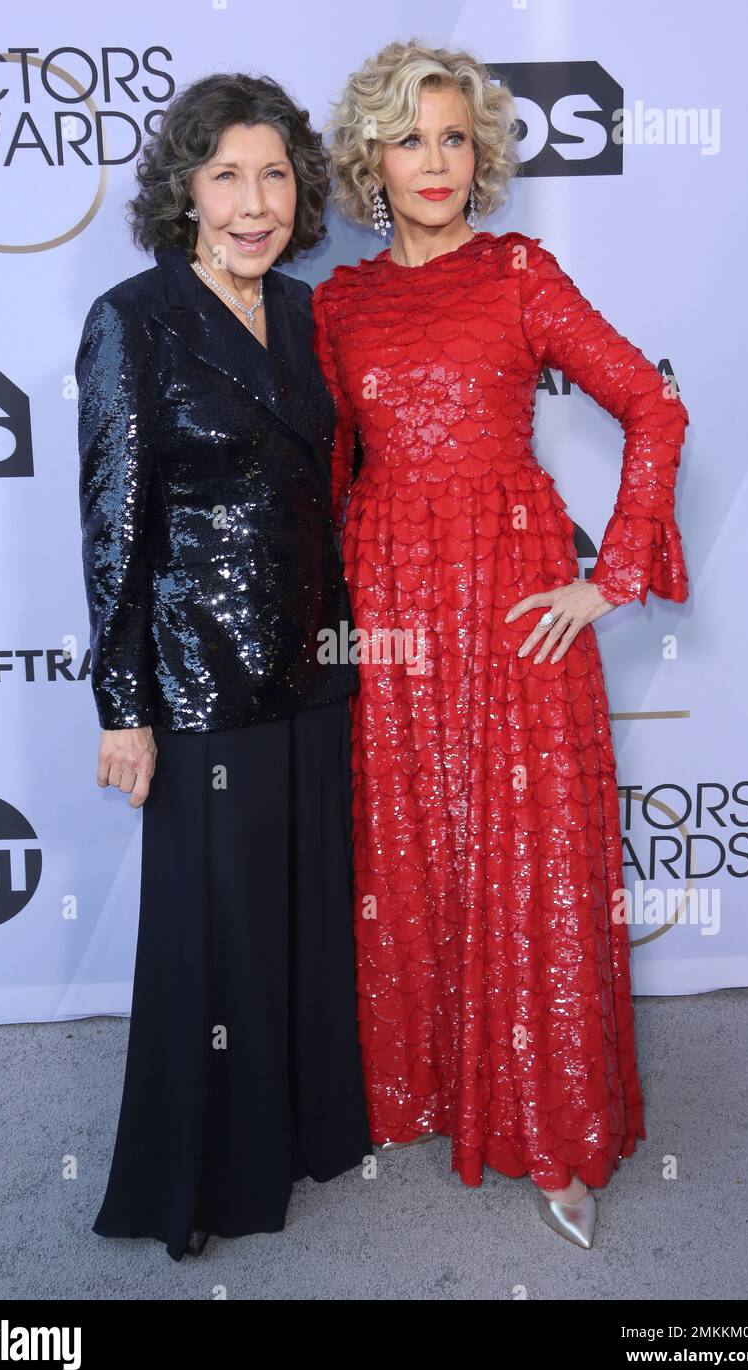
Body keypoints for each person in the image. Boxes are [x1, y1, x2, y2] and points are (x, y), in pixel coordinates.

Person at [311, 39, 690, 1249]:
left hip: (513, 595)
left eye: (455, 137)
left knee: (526, 851)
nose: (435, 160)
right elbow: (325, 474)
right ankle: (416, 1090)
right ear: (370, 158)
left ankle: (548, 1128)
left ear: (482, 156)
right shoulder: (337, 302)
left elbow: (651, 401)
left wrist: (611, 572)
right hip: (388, 600)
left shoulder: (520, 272)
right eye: (410, 137)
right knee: (407, 839)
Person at [76, 72, 371, 1262]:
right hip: (198, 684)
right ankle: (200, 1177)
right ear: (185, 191)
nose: (254, 203)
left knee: (302, 922)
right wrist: (125, 707)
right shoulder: (132, 317)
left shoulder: (310, 315)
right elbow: (113, 526)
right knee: (214, 937)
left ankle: (302, 1130)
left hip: (313, 673)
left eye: (274, 175)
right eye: (225, 176)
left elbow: (340, 492)